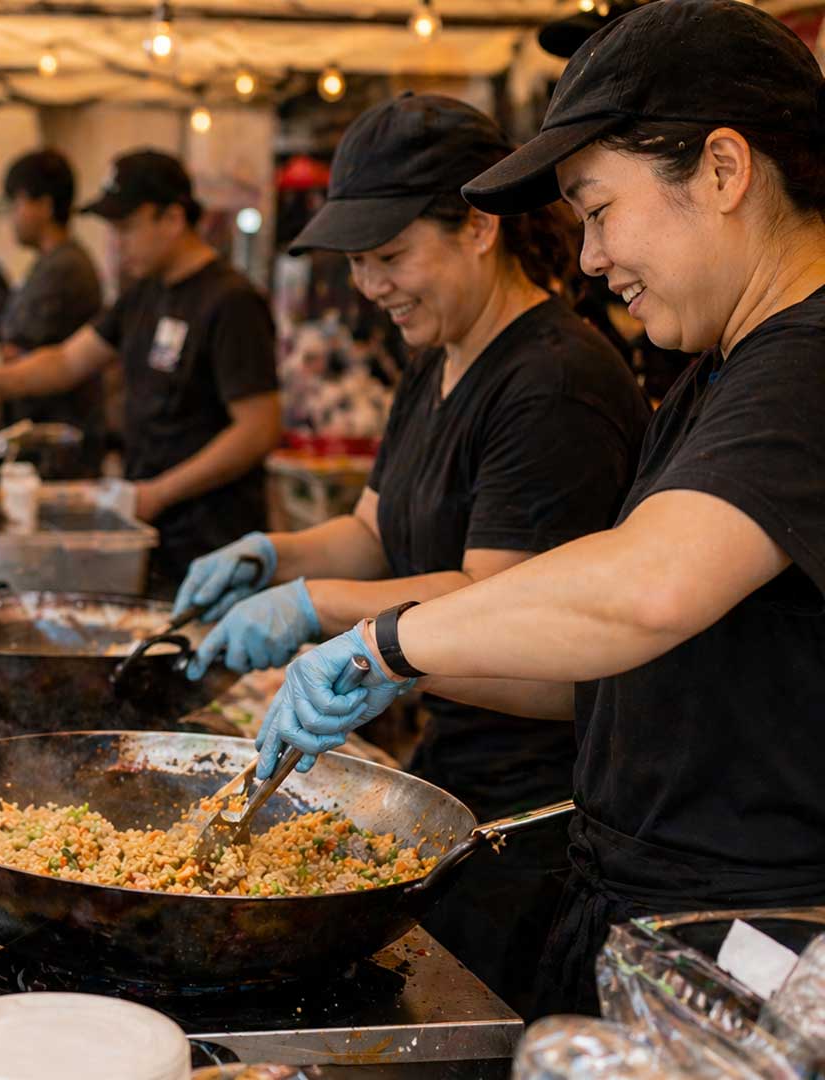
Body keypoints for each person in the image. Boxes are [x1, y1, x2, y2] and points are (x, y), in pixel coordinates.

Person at [260, 0, 825, 1017]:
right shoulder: (718, 370)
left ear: (724, 171)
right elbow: (616, 666)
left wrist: (382, 641)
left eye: (598, 209)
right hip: (646, 919)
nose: (594, 259)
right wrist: (423, 667)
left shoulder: (808, 364)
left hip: (751, 953)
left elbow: (645, 588)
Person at [170, 94, 651, 1016]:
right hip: (452, 768)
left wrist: (319, 607)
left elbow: (497, 601)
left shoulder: (554, 379)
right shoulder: (435, 361)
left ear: (477, 227)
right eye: (358, 263)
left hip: (537, 805)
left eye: (390, 257)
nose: (372, 286)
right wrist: (271, 555)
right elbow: (375, 527)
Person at [0, 150, 282, 584]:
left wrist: (161, 492)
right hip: (148, 528)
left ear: (173, 217)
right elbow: (69, 360)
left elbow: (258, 429)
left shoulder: (231, 302)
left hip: (214, 537)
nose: (117, 243)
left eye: (127, 228)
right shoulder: (142, 294)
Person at [0, 149, 108, 478]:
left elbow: (25, 350)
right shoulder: (48, 263)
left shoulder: (66, 268)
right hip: (42, 436)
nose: (12, 217)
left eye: (16, 204)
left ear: (44, 206)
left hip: (60, 446)